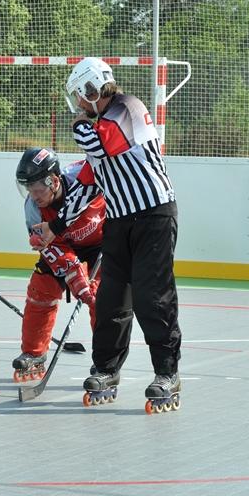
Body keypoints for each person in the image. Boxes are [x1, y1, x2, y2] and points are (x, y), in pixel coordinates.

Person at [60, 57, 182, 410]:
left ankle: (167, 373)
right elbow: (87, 183)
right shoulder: (100, 126)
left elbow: (100, 146)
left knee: (152, 297)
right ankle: (106, 369)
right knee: (111, 299)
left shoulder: (127, 108)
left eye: (80, 95)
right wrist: (56, 226)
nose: (78, 104)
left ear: (91, 89)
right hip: (118, 222)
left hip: (153, 216)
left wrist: (79, 126)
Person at [13, 147, 104, 382]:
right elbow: (46, 246)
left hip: (101, 244)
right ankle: (34, 353)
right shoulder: (33, 208)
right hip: (61, 246)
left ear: (53, 181)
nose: (34, 196)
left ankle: (106, 360)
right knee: (41, 288)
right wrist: (73, 272)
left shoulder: (86, 179)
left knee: (102, 298)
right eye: (29, 190)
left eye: (38, 190)